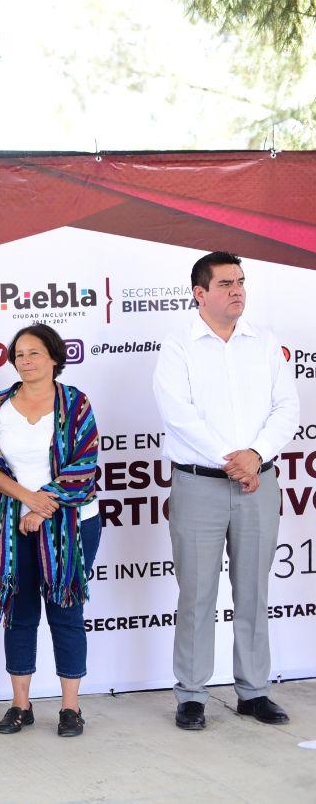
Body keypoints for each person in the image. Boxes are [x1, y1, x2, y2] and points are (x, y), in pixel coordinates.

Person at [152, 251, 298, 731]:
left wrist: (254, 456)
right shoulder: (178, 346)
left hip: (259, 482)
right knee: (196, 593)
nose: (237, 290)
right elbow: (179, 414)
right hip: (200, 484)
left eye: (241, 281)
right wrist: (231, 460)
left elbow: (286, 408)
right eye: (226, 284)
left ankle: (254, 692)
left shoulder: (265, 342)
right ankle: (192, 695)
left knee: (254, 592)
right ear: (200, 293)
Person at [0, 323, 101, 738]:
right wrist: (26, 498)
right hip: (6, 524)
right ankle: (20, 705)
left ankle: (70, 708)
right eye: (19, 354)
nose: (24, 361)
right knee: (19, 612)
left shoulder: (75, 403)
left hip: (72, 521)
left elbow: (85, 464)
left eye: (34, 353)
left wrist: (43, 509)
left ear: (55, 358)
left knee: (66, 611)